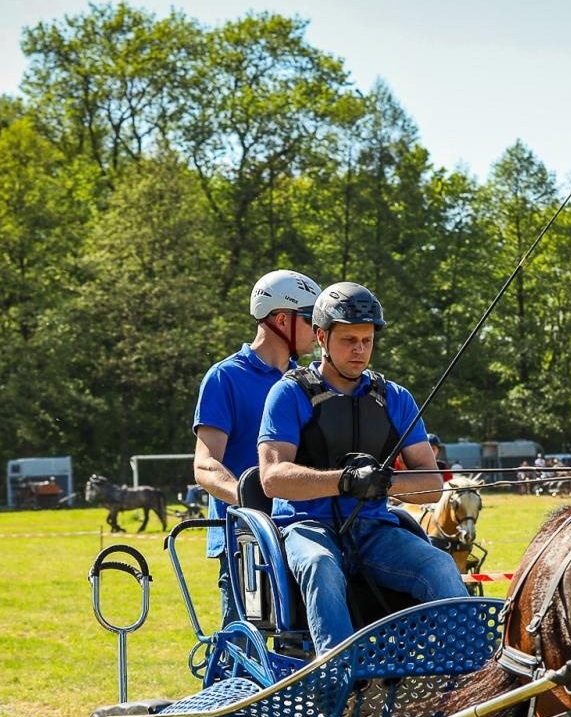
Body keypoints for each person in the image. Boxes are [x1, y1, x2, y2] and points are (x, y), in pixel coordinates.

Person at [258, 282, 468, 653]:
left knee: (438, 564)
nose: (359, 350)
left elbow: (432, 485)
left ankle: (469, 669)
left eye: (367, 341)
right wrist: (345, 482)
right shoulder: (288, 393)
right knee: (321, 566)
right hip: (307, 527)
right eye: (349, 340)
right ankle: (337, 674)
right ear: (322, 336)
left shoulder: (395, 398)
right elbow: (273, 478)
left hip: (376, 531)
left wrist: (385, 485)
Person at [192, 268, 322, 627]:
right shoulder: (225, 377)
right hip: (245, 541)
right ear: (282, 318)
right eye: (311, 319)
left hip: (302, 533)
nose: (320, 331)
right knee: (243, 650)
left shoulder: (308, 382)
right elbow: (205, 465)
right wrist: (252, 499)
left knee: (302, 649)